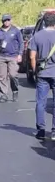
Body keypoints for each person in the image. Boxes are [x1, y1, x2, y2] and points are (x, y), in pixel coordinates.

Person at [29, 11, 55, 141]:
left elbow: (32, 56)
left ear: (44, 21)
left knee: (41, 102)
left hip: (42, 73)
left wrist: (35, 71)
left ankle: (41, 130)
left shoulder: (37, 36)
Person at [0, 14, 24, 103]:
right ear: (2, 21)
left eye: (8, 20)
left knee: (13, 75)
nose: (7, 22)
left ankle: (15, 90)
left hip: (13, 56)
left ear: (10, 20)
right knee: (2, 76)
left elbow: (21, 43)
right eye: (5, 20)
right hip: (2, 56)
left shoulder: (16, 31)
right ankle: (4, 94)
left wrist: (20, 54)